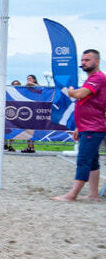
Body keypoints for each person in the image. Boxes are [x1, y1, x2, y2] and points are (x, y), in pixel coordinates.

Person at [52, 48, 105, 203]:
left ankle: (72, 195)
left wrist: (71, 91)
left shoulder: (98, 78)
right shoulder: (93, 79)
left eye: (87, 60)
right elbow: (87, 103)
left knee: (83, 160)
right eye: (82, 60)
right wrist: (79, 127)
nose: (83, 63)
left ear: (97, 61)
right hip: (89, 126)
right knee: (93, 161)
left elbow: (81, 95)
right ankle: (94, 195)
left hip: (93, 127)